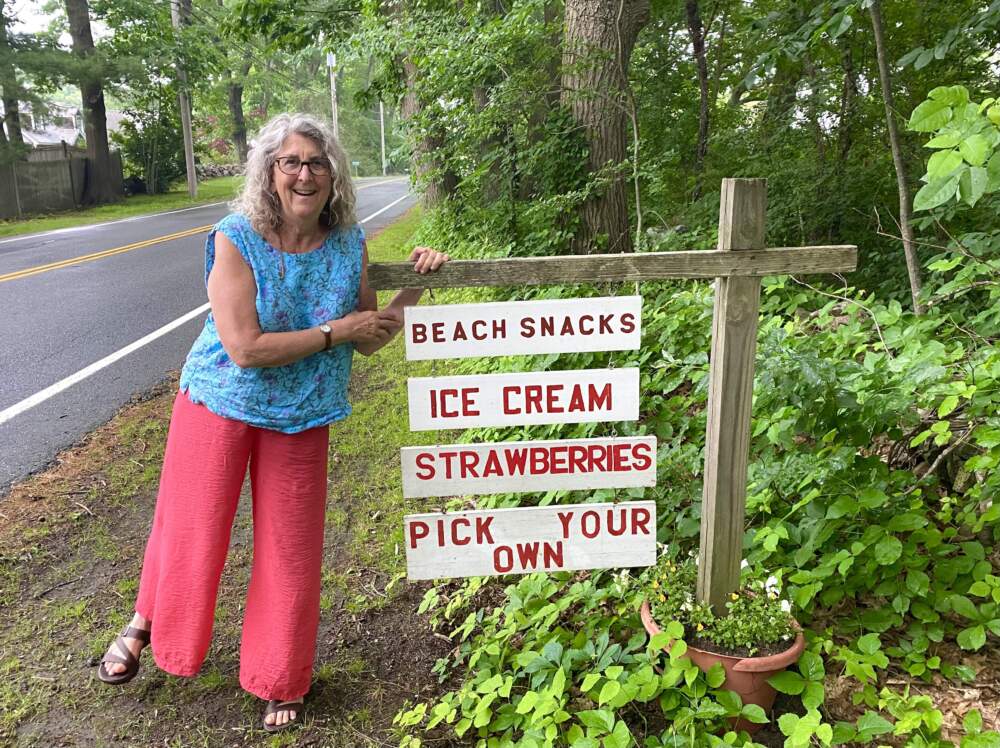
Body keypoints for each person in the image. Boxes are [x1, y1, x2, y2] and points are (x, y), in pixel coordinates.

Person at [97, 112, 449, 732]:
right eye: (291, 162)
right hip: (219, 399)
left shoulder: (348, 244)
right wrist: (335, 331)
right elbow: (245, 348)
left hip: (303, 414)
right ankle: (147, 623)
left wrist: (413, 291)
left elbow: (367, 340)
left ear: (334, 175)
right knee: (189, 528)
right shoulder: (236, 236)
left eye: (317, 163)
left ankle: (279, 675)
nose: (305, 175)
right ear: (269, 172)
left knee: (290, 550)